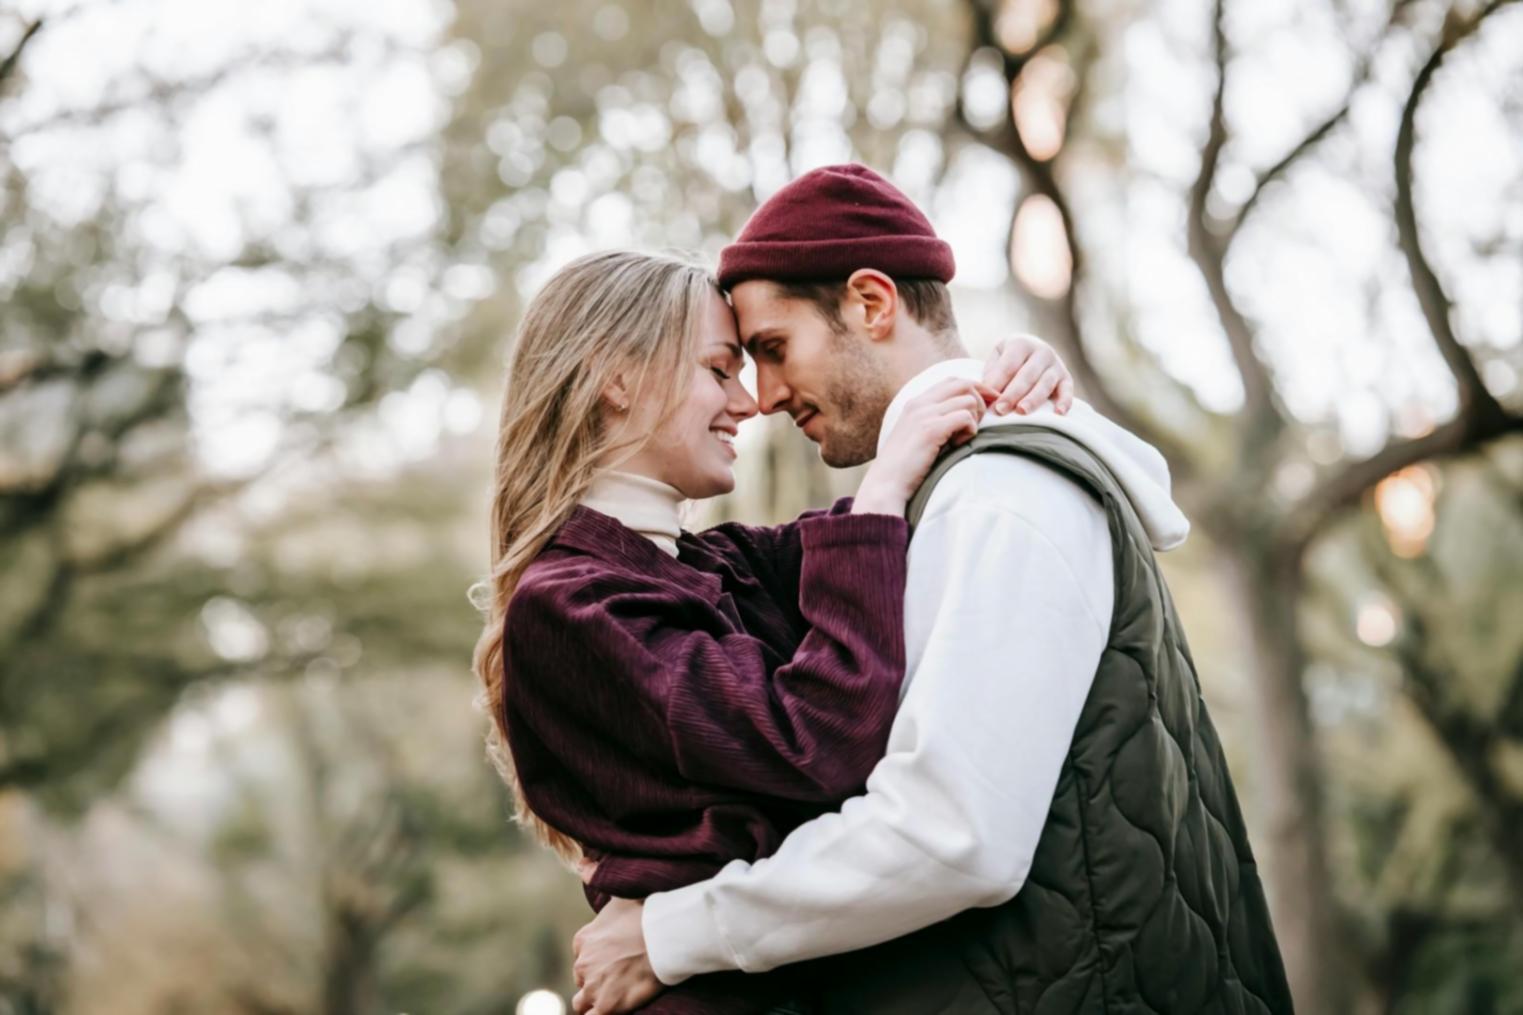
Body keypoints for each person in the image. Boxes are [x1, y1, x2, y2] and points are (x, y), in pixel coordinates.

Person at [571, 165, 1294, 1014]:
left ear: (871, 303)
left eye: (772, 348)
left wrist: (670, 935)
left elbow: (953, 833)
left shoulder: (999, 496)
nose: (761, 397)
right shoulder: (951, 495)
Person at [470, 247, 1074, 1013]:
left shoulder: (716, 562)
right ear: (616, 378)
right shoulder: (569, 606)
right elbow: (813, 744)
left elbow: (872, 541)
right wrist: (881, 484)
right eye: (719, 369)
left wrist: (1001, 375)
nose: (748, 402)